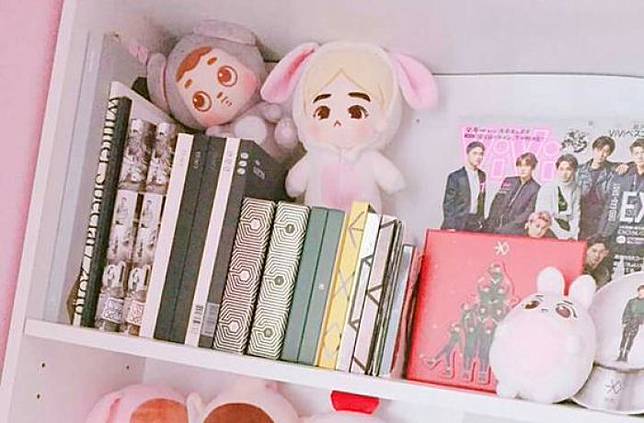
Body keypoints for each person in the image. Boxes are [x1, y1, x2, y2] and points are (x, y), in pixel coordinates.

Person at [599, 139, 644, 276]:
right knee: (611, 266)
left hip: (639, 230)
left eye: (643, 153)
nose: (640, 156)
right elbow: (612, 203)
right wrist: (603, 230)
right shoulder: (624, 173)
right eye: (637, 153)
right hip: (620, 227)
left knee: (634, 269)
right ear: (632, 155)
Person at [577, 136, 629, 239]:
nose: (601, 154)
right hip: (581, 217)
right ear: (593, 149)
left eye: (606, 151)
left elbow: (636, 164)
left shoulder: (613, 170)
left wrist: (627, 166)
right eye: (599, 150)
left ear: (609, 154)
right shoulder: (579, 170)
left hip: (601, 218)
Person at [485, 152, 540, 234]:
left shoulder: (536, 188)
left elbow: (527, 213)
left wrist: (506, 229)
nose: (522, 169)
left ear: (533, 167)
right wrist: (490, 222)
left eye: (526, 166)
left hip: (514, 230)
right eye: (520, 165)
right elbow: (496, 202)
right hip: (494, 226)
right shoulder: (508, 181)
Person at [441, 141, 487, 232]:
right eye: (475, 153)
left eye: (481, 154)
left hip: (474, 223)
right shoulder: (456, 176)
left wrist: (481, 221)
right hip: (458, 222)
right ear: (468, 154)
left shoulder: (482, 175)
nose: (478, 157)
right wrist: (450, 225)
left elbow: (481, 201)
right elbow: (448, 203)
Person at [535, 154, 581, 240]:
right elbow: (545, 217)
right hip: (549, 227)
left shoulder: (576, 189)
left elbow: (575, 215)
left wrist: (574, 234)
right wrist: (563, 235)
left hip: (567, 226)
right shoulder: (547, 188)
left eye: (568, 169)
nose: (564, 173)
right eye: (561, 169)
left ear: (574, 171)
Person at [617, 285, 644, 362]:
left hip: (637, 323)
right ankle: (620, 354)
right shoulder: (631, 301)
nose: (641, 294)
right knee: (624, 337)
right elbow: (626, 311)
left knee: (631, 338)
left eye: (643, 292)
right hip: (629, 321)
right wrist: (624, 321)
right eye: (640, 292)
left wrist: (641, 321)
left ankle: (626, 355)